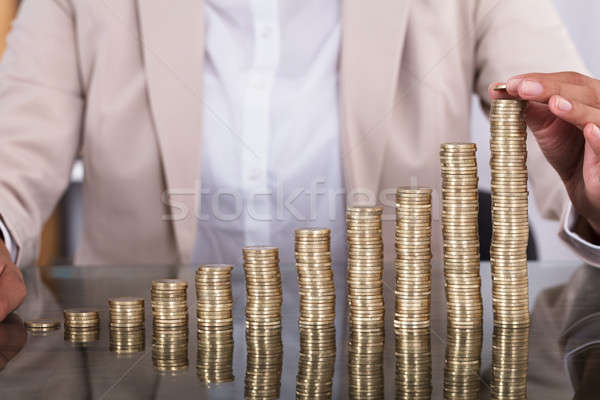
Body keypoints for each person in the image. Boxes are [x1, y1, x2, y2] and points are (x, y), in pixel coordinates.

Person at [0, 0, 599, 322]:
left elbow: (563, 128)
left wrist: (592, 193)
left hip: (402, 359)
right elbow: (15, 143)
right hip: (146, 363)